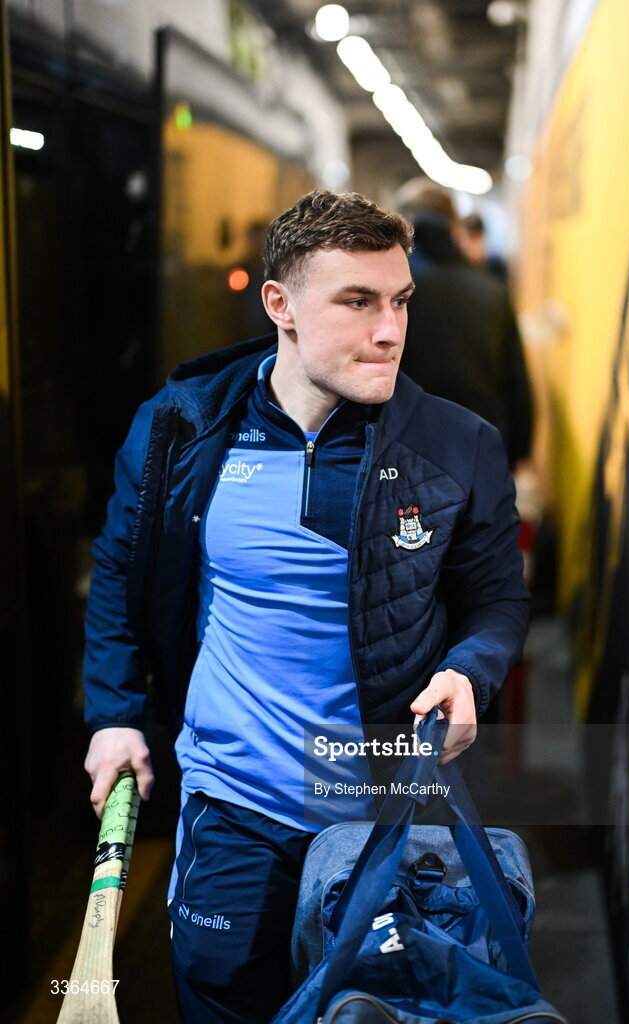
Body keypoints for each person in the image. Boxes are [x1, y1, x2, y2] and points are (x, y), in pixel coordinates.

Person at [82, 189, 530, 1024]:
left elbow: (496, 598)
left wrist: (471, 668)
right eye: (356, 302)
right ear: (280, 306)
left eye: (398, 301)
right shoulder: (182, 428)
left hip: (382, 809)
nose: (389, 329)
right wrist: (114, 713)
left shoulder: (455, 444)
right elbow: (118, 572)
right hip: (233, 805)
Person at [395, 181, 533, 468]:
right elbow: (517, 385)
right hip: (477, 453)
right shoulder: (490, 291)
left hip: (401, 454)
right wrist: (515, 456)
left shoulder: (387, 291)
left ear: (403, 223)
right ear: (454, 227)